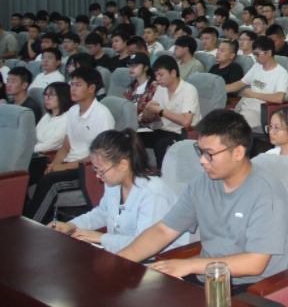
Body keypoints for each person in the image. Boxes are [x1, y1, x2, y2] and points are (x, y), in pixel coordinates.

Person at [119, 109, 288, 292]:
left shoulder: (267, 193)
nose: (202, 160)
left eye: (209, 153)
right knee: (135, 289)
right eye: (200, 151)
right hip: (208, 274)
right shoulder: (202, 183)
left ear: (238, 152)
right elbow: (163, 230)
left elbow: (255, 263)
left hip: (249, 286)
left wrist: (190, 265)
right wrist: (119, 261)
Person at [51, 128, 188, 253]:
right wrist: (71, 225)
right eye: (95, 170)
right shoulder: (114, 183)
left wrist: (101, 238)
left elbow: (144, 245)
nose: (98, 176)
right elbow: (103, 213)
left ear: (122, 165)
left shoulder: (152, 192)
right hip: (124, 253)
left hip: (160, 260)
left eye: (101, 170)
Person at [25, 67, 115, 223]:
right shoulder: (73, 111)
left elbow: (100, 156)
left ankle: (32, 225)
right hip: (69, 163)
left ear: (91, 88)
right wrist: (54, 164)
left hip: (88, 169)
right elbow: (66, 146)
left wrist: (63, 167)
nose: (72, 89)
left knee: (49, 181)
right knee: (29, 171)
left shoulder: (102, 114)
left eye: (78, 85)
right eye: (71, 84)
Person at [140, 55, 202, 169]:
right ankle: (140, 173)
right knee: (133, 138)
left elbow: (186, 121)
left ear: (173, 73)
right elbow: (148, 117)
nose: (158, 79)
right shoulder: (161, 88)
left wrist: (161, 112)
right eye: (156, 75)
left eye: (161, 75)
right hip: (162, 130)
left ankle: (163, 176)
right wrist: (147, 109)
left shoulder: (189, 90)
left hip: (183, 133)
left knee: (161, 145)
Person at [226, 36, 288, 134]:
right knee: (219, 120)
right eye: (254, 54)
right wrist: (220, 89)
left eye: (257, 54)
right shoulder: (257, 66)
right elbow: (240, 83)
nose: (255, 57)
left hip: (260, 112)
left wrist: (253, 94)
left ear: (269, 53)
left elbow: (279, 98)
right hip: (243, 107)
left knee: (231, 126)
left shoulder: (281, 73)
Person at [33, 81, 71, 153]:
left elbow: (50, 145)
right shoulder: (47, 116)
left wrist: (26, 150)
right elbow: (33, 136)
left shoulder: (66, 119)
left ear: (62, 97)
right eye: (45, 94)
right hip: (34, 151)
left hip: (48, 155)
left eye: (51, 95)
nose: (46, 98)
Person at [122, 52, 158, 127]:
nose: (131, 68)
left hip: (145, 126)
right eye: (129, 65)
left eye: (135, 65)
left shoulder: (154, 87)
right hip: (129, 123)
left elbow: (152, 115)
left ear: (146, 67)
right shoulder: (132, 86)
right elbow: (123, 104)